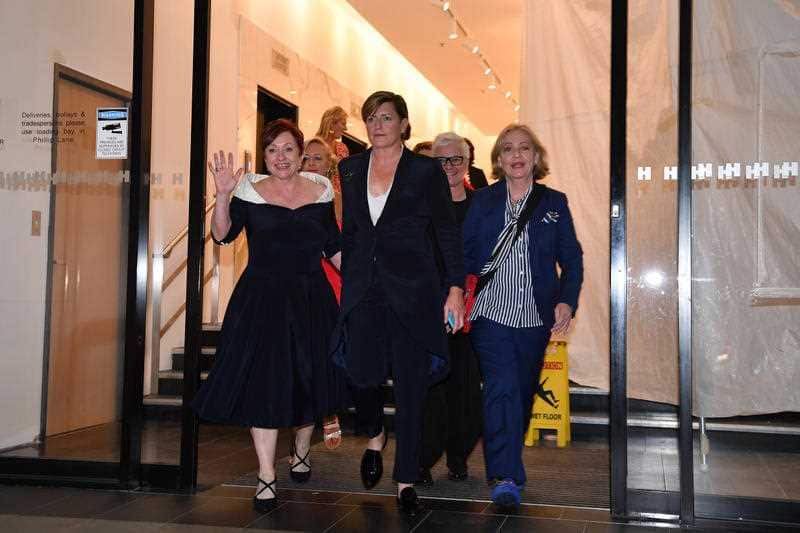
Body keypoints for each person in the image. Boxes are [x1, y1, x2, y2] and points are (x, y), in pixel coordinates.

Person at [193, 119, 345, 513]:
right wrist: (223, 196)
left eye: (288, 149)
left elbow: (334, 248)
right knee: (264, 384)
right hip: (261, 298)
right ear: (265, 155)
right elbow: (223, 235)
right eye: (273, 150)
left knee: (309, 380)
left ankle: (300, 446)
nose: (281, 157)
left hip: (312, 298)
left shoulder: (321, 190)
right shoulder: (249, 190)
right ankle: (265, 473)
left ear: (300, 154)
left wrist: (370, 286)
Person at [331, 91, 465, 515]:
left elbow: (446, 233)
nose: (378, 125)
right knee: (361, 375)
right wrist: (342, 262)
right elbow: (352, 229)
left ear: (404, 124)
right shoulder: (350, 168)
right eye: (371, 118)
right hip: (365, 292)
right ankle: (374, 434)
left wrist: (456, 288)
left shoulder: (425, 171)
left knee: (411, 391)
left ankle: (405, 479)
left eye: (387, 117)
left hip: (414, 294)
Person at [462, 124, 583, 508]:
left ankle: (509, 464)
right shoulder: (482, 201)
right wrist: (452, 291)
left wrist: (567, 299)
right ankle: (505, 476)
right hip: (490, 312)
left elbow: (573, 258)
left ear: (535, 157)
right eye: (508, 149)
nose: (516, 155)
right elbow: (463, 254)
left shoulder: (554, 203)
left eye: (524, 148)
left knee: (522, 391)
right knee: (501, 387)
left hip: (535, 316)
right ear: (498, 159)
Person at [418, 132, 483, 486]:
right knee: (428, 389)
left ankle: (458, 455)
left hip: (473, 311)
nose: (449, 167)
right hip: (427, 308)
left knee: (465, 389)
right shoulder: (419, 206)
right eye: (441, 160)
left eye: (456, 159)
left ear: (467, 162)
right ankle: (423, 458)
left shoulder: (482, 206)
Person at [301, 136, 345, 450]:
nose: (311, 163)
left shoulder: (337, 198)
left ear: (329, 165)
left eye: (318, 158)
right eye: (306, 158)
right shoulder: (287, 193)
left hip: (335, 277)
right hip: (302, 282)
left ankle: (329, 411)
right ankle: (305, 421)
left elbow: (340, 241)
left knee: (325, 351)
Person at [316, 106, 350, 220]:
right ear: (332, 123)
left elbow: (347, 178)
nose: (345, 128)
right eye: (343, 123)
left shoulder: (343, 148)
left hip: (338, 204)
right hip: (317, 199)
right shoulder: (314, 145)